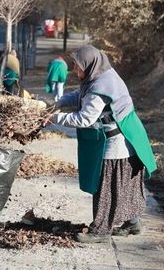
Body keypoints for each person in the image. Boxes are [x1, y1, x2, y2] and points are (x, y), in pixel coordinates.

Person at [47, 45, 157, 243]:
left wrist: (55, 118)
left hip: (118, 141)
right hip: (129, 135)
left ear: (89, 65)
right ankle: (132, 223)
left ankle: (100, 231)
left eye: (78, 66)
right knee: (125, 185)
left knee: (106, 186)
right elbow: (81, 95)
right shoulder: (101, 75)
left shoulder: (100, 87)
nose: (75, 70)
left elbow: (84, 119)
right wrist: (60, 102)